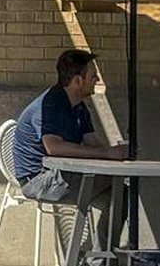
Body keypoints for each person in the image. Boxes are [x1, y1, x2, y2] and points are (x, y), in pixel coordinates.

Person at [12, 48, 129, 188]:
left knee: (118, 189)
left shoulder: (79, 106)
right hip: (38, 178)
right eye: (93, 76)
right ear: (78, 80)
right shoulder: (51, 105)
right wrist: (107, 153)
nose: (97, 80)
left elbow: (92, 142)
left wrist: (116, 154)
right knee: (116, 186)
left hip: (61, 172)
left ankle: (107, 209)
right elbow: (54, 147)